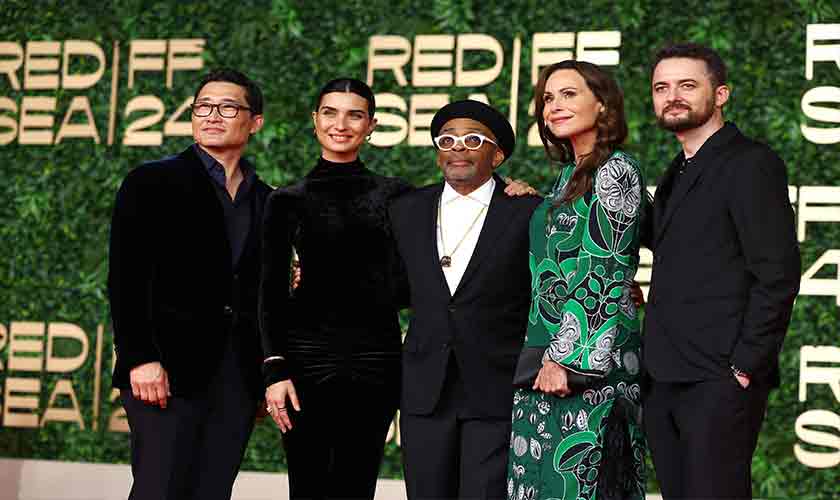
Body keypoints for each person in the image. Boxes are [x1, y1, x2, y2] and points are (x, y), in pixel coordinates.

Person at [643, 43, 801, 499]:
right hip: (665, 375)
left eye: (686, 85)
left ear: (721, 94)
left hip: (717, 378)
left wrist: (744, 366)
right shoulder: (678, 170)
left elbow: (777, 273)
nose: (672, 96)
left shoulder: (750, 163)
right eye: (661, 87)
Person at [107, 68, 271, 499]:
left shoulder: (267, 199)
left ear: (254, 122)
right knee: (160, 489)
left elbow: (260, 294)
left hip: (236, 378)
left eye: (228, 107)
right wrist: (141, 357)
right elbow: (126, 277)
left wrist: (261, 378)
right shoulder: (151, 182)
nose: (212, 115)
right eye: (203, 106)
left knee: (213, 491)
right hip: (165, 371)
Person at [505, 60, 647, 500]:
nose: (554, 106)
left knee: (580, 484)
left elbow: (604, 267)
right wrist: (534, 204)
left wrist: (565, 360)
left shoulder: (616, 170)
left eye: (569, 94)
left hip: (585, 367)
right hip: (545, 359)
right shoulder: (569, 175)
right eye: (548, 98)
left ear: (603, 104)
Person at [389, 100, 543, 500]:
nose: (458, 147)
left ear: (498, 155)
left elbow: (547, 292)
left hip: (496, 387)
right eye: (447, 140)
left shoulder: (528, 210)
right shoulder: (406, 210)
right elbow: (391, 286)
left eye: (473, 139)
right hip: (425, 388)